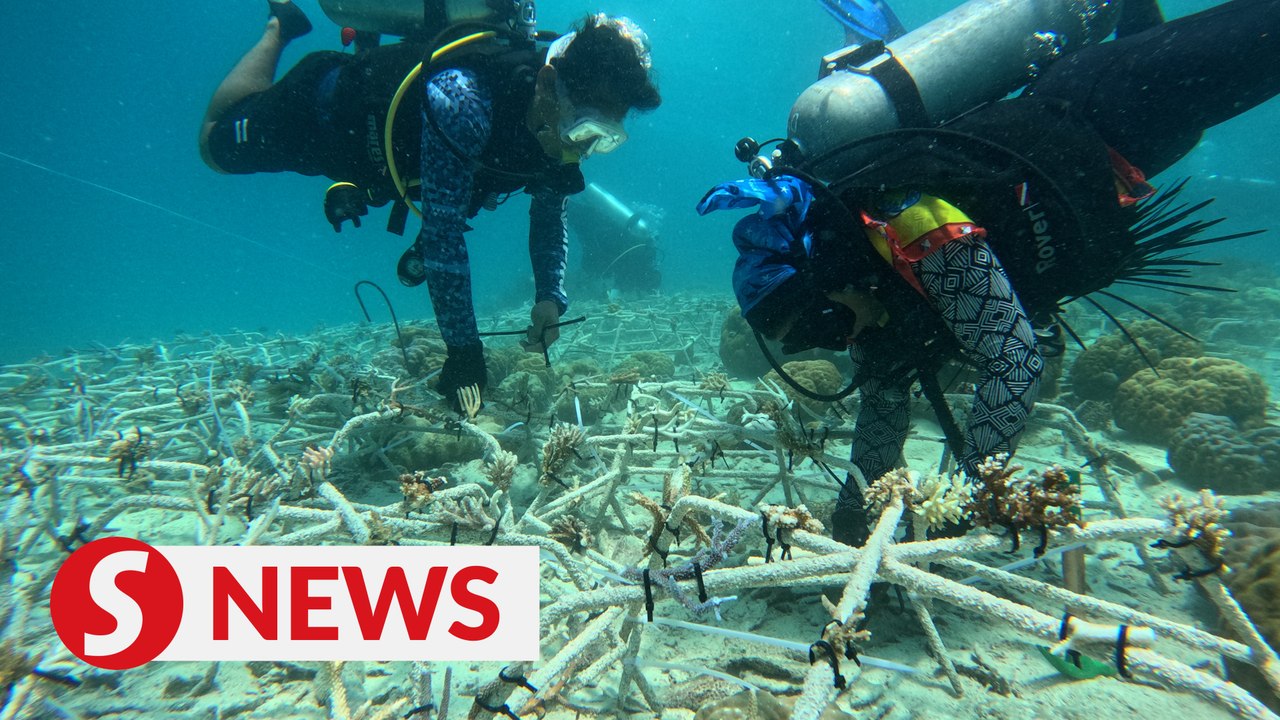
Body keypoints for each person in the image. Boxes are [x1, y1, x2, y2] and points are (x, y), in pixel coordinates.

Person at [699, 0, 1280, 545]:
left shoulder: (910, 228)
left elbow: (1015, 363)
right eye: (814, 343)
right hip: (1125, 154)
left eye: (823, 325)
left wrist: (959, 511)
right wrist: (854, 520)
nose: (840, 341)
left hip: (1110, 100)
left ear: (831, 279)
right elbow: (881, 414)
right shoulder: (879, 308)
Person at [199, 1, 660, 408]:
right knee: (214, 144)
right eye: (583, 130)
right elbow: (442, 234)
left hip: (387, 171)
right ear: (547, 82)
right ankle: (280, 28)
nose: (582, 148)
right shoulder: (462, 100)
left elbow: (548, 215)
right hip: (324, 114)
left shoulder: (554, 134)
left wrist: (549, 299)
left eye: (603, 140)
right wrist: (463, 351)